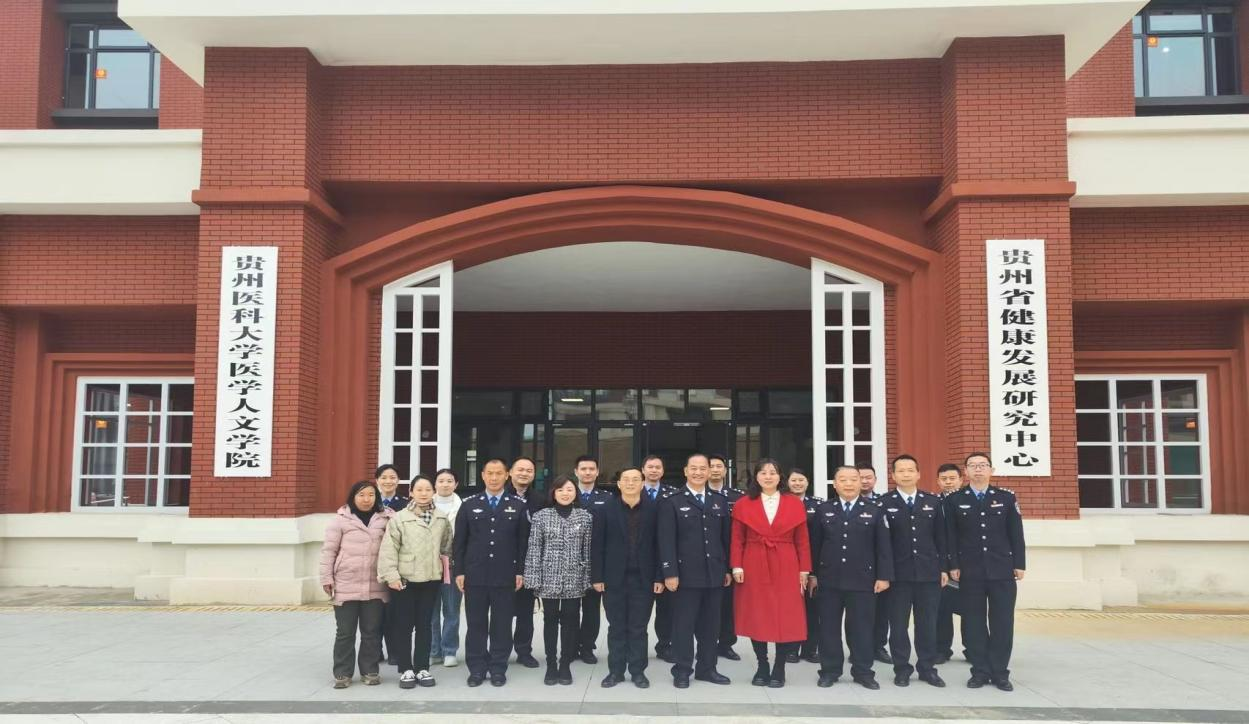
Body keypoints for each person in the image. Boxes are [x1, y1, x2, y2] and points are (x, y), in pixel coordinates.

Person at [945, 452, 1026, 692]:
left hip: (1002, 569)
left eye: (983, 465)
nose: (978, 469)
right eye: (973, 465)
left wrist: (1019, 563)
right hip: (970, 571)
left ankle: (1000, 672)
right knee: (974, 623)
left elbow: (1016, 533)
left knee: (1002, 622)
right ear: (966, 472)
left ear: (991, 470)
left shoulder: (1006, 498)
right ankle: (980, 671)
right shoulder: (955, 500)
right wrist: (952, 565)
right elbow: (950, 537)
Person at [810, 466, 893, 690]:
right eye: (843, 480)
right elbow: (815, 545)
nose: (848, 484)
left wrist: (884, 576)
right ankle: (830, 671)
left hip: (863, 580)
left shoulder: (874, 510)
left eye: (853, 479)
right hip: (829, 580)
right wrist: (813, 574)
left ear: (860, 483)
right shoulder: (824, 509)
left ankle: (863, 671)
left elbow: (883, 547)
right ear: (835, 484)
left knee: (862, 629)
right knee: (829, 629)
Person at [731, 459, 811, 688]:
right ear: (756, 477)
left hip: (787, 562)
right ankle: (762, 664)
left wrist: (804, 569)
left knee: (784, 615)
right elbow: (737, 538)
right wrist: (737, 566)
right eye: (763, 473)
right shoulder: (743, 503)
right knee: (757, 614)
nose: (768, 477)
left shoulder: (794, 503)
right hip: (754, 561)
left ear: (780, 476)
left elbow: (802, 540)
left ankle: (780, 667)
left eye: (773, 472)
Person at [657, 453, 733, 688]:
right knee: (683, 626)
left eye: (703, 468)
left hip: (714, 574)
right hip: (685, 576)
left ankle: (707, 669)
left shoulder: (719, 501)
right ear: (686, 471)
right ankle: (682, 670)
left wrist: (727, 569)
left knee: (711, 626)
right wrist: (669, 573)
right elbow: (666, 541)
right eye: (694, 468)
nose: (699, 472)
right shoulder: (672, 501)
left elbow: (725, 539)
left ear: (709, 472)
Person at [453, 459, 530, 687]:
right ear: (483, 475)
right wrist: (459, 571)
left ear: (507, 475)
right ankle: (477, 668)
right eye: (490, 473)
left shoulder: (518, 505)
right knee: (476, 624)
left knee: (501, 624)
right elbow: (459, 542)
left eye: (498, 473)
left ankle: (498, 668)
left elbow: (523, 543)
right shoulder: (469, 504)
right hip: (475, 574)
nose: (494, 478)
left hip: (505, 575)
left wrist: (520, 571)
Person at [378, 475, 453, 689]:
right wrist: (391, 576)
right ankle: (406, 669)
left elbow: (446, 546)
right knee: (404, 625)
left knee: (425, 625)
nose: (423, 493)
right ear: (411, 492)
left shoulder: (441, 518)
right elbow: (389, 549)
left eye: (427, 489)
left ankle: (422, 667)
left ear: (433, 492)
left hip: (430, 579)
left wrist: (443, 569)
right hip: (404, 580)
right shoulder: (399, 518)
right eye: (418, 489)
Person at [879, 455, 947, 688]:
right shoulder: (884, 503)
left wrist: (944, 568)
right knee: (898, 625)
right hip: (898, 576)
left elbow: (941, 538)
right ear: (893, 475)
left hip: (928, 574)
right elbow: (881, 544)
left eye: (910, 470)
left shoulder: (933, 502)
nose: (906, 474)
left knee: (927, 624)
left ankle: (927, 668)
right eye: (901, 470)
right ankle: (902, 669)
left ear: (918, 474)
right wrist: (884, 574)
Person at [319, 480, 394, 689]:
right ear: (353, 497)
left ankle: (370, 670)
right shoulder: (340, 520)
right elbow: (329, 551)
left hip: (376, 584)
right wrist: (326, 577)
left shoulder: (387, 518)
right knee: (345, 632)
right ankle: (342, 673)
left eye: (371, 494)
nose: (366, 499)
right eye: (361, 495)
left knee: (372, 631)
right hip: (346, 582)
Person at [592, 466, 662, 689]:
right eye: (626, 479)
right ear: (619, 484)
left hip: (644, 579)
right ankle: (616, 671)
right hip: (613, 579)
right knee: (616, 627)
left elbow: (660, 545)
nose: (631, 483)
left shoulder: (654, 509)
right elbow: (597, 545)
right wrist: (597, 576)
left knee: (639, 627)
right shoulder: (606, 509)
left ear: (642, 483)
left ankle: (638, 671)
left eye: (635, 479)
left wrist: (659, 577)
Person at [524, 476, 595, 686]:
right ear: (553, 493)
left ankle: (565, 664)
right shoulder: (541, 516)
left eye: (570, 489)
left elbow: (587, 550)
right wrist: (533, 578)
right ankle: (551, 665)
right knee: (550, 620)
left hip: (575, 577)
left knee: (571, 620)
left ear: (576, 493)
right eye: (561, 489)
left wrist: (587, 578)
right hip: (548, 578)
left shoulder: (585, 517)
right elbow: (534, 549)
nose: (565, 493)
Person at [573, 454, 612, 665]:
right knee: (570, 609)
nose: (587, 472)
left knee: (591, 608)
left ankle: (587, 647)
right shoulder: (566, 493)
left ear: (597, 472)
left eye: (591, 469)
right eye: (583, 469)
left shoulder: (607, 498)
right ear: (576, 472)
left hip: (595, 562)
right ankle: (570, 646)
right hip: (569, 560)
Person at [641, 454, 678, 663]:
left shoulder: (673, 494)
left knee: (667, 609)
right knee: (641, 610)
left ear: (662, 471)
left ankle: (665, 646)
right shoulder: (633, 491)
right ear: (643, 470)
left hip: (666, 557)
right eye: (650, 467)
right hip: (642, 558)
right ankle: (638, 647)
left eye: (658, 467)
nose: (654, 470)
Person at [708, 453, 744, 662]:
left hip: (731, 556)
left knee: (728, 605)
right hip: (706, 556)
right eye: (711, 466)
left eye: (718, 466)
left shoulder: (737, 497)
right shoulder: (697, 495)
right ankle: (706, 643)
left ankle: (726, 644)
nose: (714, 470)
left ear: (725, 470)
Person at [507, 456, 542, 669]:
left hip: (529, 563)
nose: (524, 473)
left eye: (529, 470)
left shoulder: (539, 500)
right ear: (510, 472)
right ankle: (500, 651)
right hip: (502, 562)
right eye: (520, 469)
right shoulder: (500, 496)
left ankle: (524, 651)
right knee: (501, 611)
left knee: (525, 612)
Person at [785, 468, 822, 664]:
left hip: (813, 563)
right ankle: (791, 649)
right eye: (794, 480)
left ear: (807, 482)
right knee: (791, 610)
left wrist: (814, 572)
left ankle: (810, 649)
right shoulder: (781, 503)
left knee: (813, 609)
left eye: (801, 480)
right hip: (788, 564)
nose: (797, 483)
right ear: (787, 483)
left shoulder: (818, 505)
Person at [856, 461, 890, 665]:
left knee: (881, 611)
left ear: (875, 480)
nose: (865, 481)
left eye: (868, 477)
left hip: (879, 565)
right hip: (856, 567)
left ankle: (878, 646)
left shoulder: (883, 503)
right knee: (858, 613)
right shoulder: (845, 502)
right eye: (860, 477)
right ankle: (858, 649)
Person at [429, 468, 463, 668]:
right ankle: (434, 651)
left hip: (453, 565)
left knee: (452, 611)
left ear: (456, 484)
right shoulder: (423, 505)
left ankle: (450, 650)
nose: (445, 484)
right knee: (430, 612)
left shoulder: (463, 507)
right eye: (441, 480)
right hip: (428, 567)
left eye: (449, 480)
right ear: (435, 484)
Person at [374, 464, 407, 665]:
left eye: (392, 477)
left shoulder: (406, 504)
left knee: (395, 611)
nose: (388, 481)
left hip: (397, 563)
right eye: (384, 477)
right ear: (377, 480)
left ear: (398, 480)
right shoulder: (370, 501)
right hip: (372, 561)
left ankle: (395, 651)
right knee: (374, 611)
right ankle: (375, 650)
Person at [934, 463, 966, 664]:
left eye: (952, 478)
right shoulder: (933, 503)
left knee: (971, 610)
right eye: (944, 479)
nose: (948, 482)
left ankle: (973, 649)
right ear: (938, 481)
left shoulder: (969, 501)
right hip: (941, 564)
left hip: (966, 563)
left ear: (961, 480)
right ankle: (942, 649)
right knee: (942, 609)